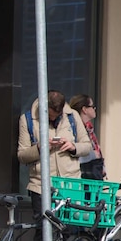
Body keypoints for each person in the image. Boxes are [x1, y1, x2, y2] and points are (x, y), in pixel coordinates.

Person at [16, 89, 91, 219]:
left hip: (70, 185)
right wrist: (41, 147)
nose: (53, 119)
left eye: (57, 116)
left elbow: (87, 146)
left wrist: (73, 147)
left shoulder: (72, 116)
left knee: (69, 231)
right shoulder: (27, 120)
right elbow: (22, 155)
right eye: (50, 116)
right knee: (43, 231)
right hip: (41, 186)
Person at [69, 94, 106, 180]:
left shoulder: (89, 128)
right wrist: (93, 155)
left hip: (93, 172)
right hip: (83, 176)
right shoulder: (74, 128)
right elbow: (75, 154)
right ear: (85, 109)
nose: (94, 109)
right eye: (92, 106)